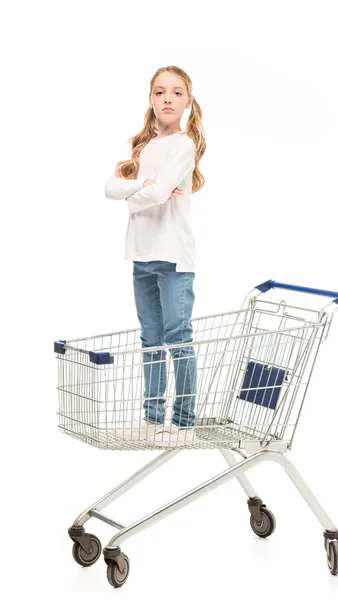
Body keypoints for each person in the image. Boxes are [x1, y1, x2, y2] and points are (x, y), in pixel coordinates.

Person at [104, 66, 206, 447]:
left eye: (177, 93)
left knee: (177, 338)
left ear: (187, 102)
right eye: (160, 92)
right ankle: (151, 418)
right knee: (150, 339)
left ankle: (182, 423)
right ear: (150, 100)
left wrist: (136, 195)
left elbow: (158, 193)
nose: (168, 98)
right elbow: (109, 187)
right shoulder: (145, 148)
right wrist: (141, 188)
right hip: (142, 255)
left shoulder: (182, 145)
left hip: (173, 256)